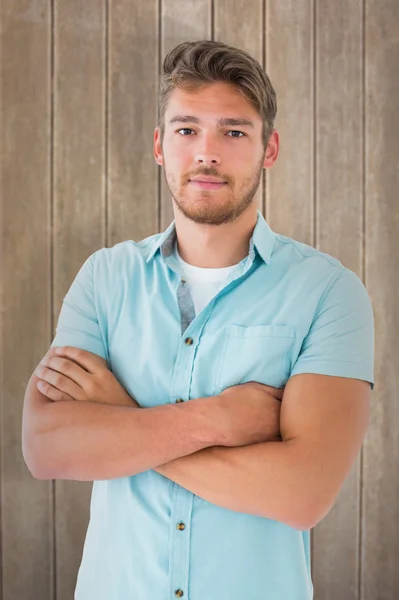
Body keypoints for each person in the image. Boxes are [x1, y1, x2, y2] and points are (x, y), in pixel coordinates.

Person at [22, 40, 374, 600]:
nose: (206, 153)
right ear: (161, 146)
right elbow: (47, 448)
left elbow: (302, 495)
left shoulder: (328, 292)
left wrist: (121, 420)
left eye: (233, 132)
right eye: (187, 130)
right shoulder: (105, 278)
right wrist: (220, 421)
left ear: (269, 149)